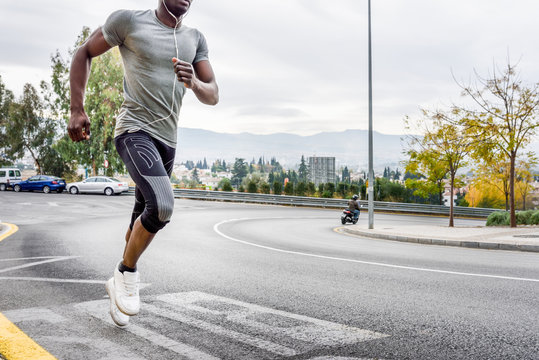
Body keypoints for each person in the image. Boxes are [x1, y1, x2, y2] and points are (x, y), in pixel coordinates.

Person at [68, 0, 218, 327]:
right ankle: (126, 272)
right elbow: (83, 53)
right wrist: (77, 108)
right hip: (134, 131)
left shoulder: (196, 39)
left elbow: (213, 94)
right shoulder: (128, 22)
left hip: (169, 142)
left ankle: (116, 286)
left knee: (140, 221)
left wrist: (194, 82)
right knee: (163, 206)